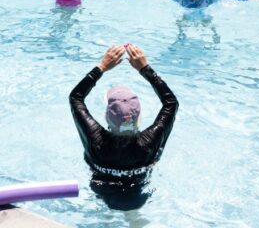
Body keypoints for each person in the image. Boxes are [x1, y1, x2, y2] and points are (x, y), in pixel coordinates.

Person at [69, 44, 179, 210]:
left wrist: (102, 67)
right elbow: (171, 103)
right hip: (139, 196)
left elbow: (75, 98)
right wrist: (145, 69)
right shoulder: (150, 141)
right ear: (139, 118)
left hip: (100, 193)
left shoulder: (95, 138)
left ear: (106, 116)